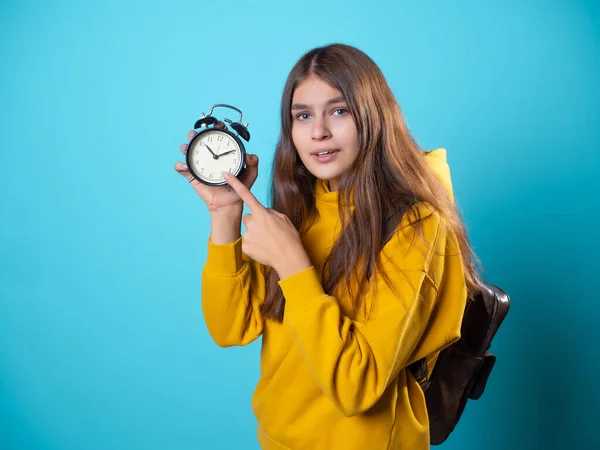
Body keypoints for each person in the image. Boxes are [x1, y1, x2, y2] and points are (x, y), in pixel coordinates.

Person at [175, 43, 481, 450]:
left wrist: (293, 266)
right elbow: (231, 327)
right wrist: (224, 214)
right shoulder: (301, 206)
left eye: (339, 111)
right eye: (303, 115)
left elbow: (358, 387)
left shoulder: (418, 225)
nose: (318, 131)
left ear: (374, 118)